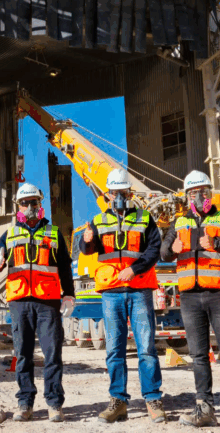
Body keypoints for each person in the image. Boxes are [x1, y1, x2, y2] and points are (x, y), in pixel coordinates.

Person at [160, 170, 220, 432]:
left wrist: (217, 242)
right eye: (193, 193)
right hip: (190, 296)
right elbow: (163, 252)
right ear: (187, 196)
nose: (199, 196)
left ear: (210, 193)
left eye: (203, 191)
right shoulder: (179, 222)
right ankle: (204, 408)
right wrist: (172, 249)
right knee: (198, 355)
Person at [81, 168, 165, 424]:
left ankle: (153, 399)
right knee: (114, 349)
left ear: (130, 193)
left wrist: (134, 269)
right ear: (107, 194)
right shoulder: (98, 221)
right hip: (111, 292)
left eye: (123, 192)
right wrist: (86, 241)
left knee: (146, 348)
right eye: (114, 192)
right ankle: (118, 401)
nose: (119, 197)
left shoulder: (144, 218)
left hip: (139, 289)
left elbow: (154, 249)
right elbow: (88, 249)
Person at [0, 182, 75, 423]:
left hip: (48, 301)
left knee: (52, 354)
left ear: (40, 204)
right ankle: (25, 403)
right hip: (20, 302)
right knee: (23, 355)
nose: (29, 207)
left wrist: (69, 294)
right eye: (24, 203)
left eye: (33, 202)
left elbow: (65, 267)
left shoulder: (54, 233)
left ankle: (54, 404)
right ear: (18, 206)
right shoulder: (9, 235)